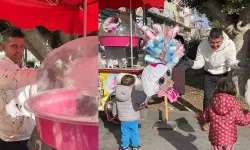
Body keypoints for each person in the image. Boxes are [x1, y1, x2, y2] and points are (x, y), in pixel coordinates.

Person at [182, 28, 242, 131]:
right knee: (208, 98)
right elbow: (199, 63)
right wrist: (191, 63)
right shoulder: (203, 45)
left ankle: (226, 122)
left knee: (225, 99)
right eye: (212, 42)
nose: (215, 45)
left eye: (218, 42)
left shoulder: (230, 45)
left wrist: (239, 64)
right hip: (208, 74)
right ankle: (208, 121)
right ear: (209, 38)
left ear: (222, 39)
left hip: (224, 74)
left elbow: (232, 63)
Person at [0, 28, 38, 150]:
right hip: (8, 137)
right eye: (14, 46)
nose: (19, 50)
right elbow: (12, 79)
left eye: (22, 46)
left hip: (30, 133)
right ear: (3, 47)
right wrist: (44, 72)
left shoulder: (25, 68)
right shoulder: (2, 67)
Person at [195, 77, 250, 150]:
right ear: (232, 88)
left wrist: (198, 115)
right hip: (229, 138)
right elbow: (242, 121)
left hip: (215, 137)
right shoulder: (234, 104)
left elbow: (205, 116)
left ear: (217, 88)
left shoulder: (212, 102)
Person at [112, 75, 146, 150]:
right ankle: (135, 146)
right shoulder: (134, 92)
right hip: (133, 117)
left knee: (125, 133)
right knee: (134, 132)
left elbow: (115, 104)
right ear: (133, 84)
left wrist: (114, 114)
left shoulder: (117, 92)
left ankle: (124, 146)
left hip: (123, 118)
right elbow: (140, 101)